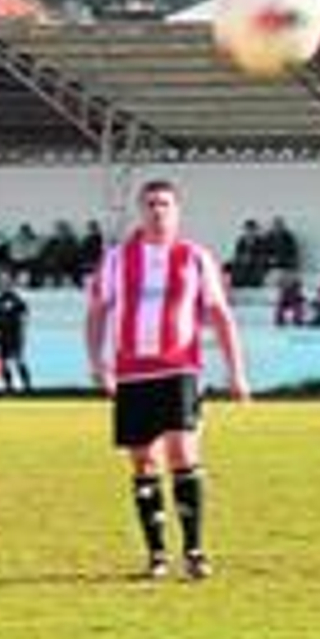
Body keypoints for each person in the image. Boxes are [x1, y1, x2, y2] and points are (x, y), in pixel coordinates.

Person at [85, 179, 250, 581]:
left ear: (177, 211)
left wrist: (236, 371)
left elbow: (220, 315)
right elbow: (98, 311)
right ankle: (157, 555)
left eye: (165, 204)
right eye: (151, 204)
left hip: (179, 368)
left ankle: (194, 550)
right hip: (132, 373)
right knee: (143, 462)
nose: (158, 211)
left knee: (183, 454)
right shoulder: (118, 259)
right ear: (140, 211)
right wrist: (97, 362)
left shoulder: (195, 257)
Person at [0, 274, 32, 395]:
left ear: (11, 284)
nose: (4, 285)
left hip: (14, 334)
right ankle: (8, 387)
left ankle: (27, 386)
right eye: (2, 283)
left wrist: (22, 332)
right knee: (3, 362)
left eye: (6, 282)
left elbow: (25, 316)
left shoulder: (17, 299)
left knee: (19, 360)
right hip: (2, 335)